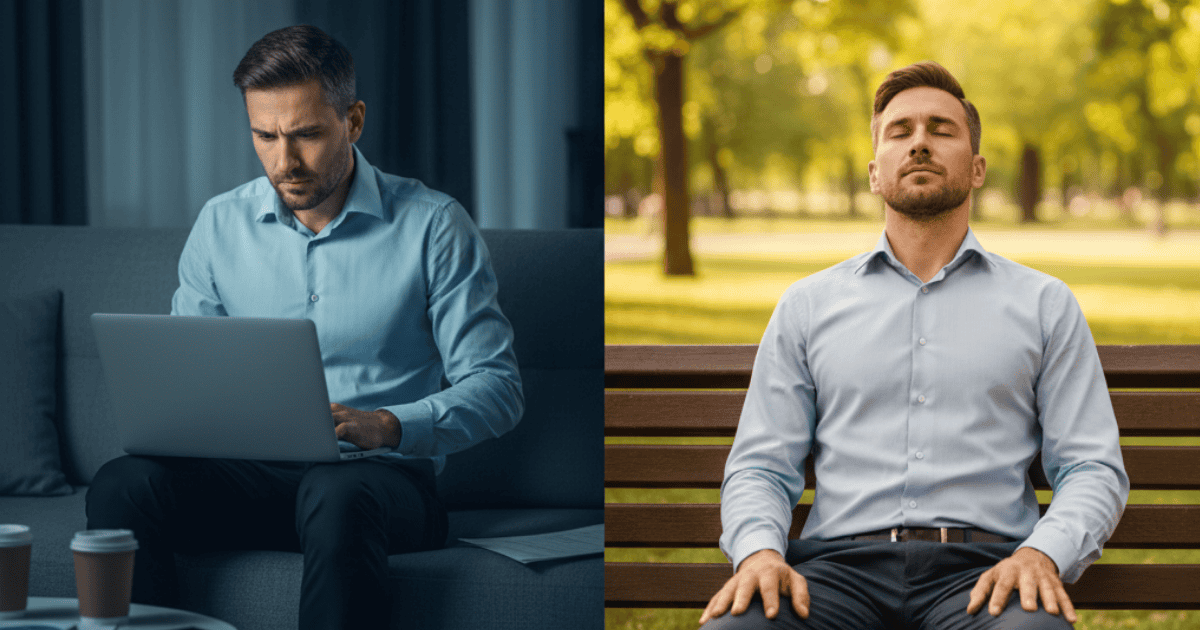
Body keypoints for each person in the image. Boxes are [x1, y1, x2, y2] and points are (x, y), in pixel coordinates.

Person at [85, 25, 523, 630]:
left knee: (336, 494)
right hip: (250, 482)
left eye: (307, 135)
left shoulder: (434, 226)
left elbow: (499, 389)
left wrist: (388, 425)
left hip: (379, 488)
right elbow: (186, 374)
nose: (283, 161)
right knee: (121, 486)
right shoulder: (219, 225)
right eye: (264, 136)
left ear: (355, 121)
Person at [699, 61, 1128, 629]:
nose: (920, 143)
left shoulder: (1043, 304)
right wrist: (759, 552)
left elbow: (1092, 465)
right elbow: (760, 466)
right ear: (875, 172)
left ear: (976, 169)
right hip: (833, 575)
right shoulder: (808, 305)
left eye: (941, 129)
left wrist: (1039, 554)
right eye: (900, 132)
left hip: (985, 574)